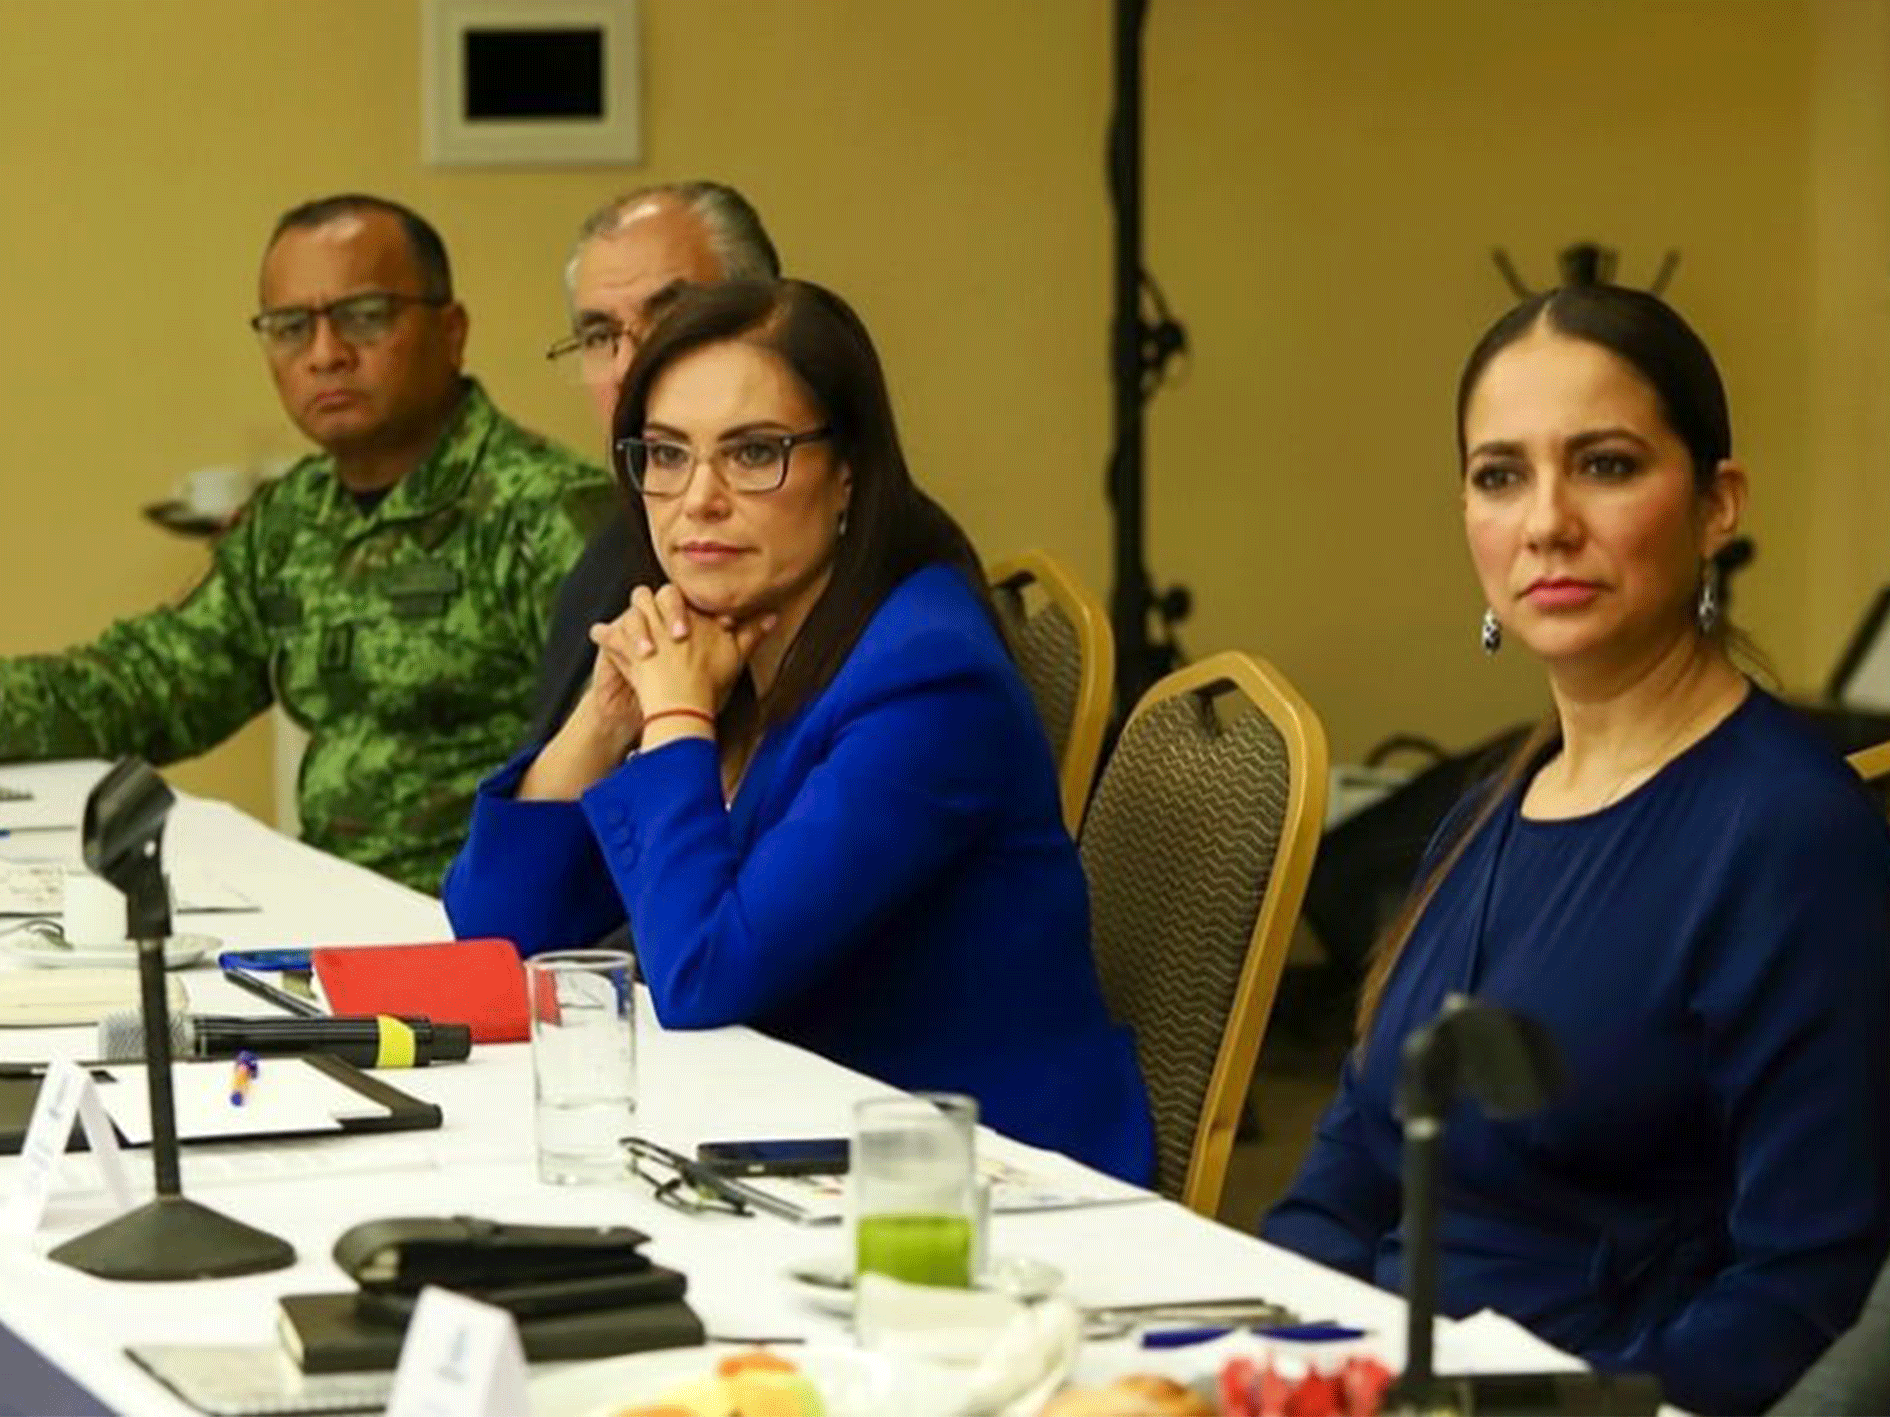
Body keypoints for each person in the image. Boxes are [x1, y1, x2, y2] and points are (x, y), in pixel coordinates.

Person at [1262, 284, 1890, 1415]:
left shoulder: (1790, 836)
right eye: (1501, 475)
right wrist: (1280, 1356)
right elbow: (1353, 1161)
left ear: (1717, 504)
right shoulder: (1488, 808)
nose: (1546, 521)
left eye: (1604, 465)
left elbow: (1804, 1287)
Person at [444, 279, 1155, 1183]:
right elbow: (498, 933)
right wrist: (607, 714)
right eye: (666, 454)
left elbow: (705, 978)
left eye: (754, 453)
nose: (698, 498)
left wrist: (675, 718)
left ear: (848, 468)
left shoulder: (928, 682)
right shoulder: (727, 638)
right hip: (788, 1134)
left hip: (978, 1176)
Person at [0, 195, 610, 890]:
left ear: (451, 331)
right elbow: (151, 685)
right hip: (330, 896)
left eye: (365, 317)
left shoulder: (545, 512)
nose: (325, 355)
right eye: (291, 328)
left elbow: (616, 758)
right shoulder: (291, 518)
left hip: (484, 915)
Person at [528, 182, 780, 743]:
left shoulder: (887, 614)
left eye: (671, 320)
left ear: (773, 322)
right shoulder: (610, 550)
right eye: (600, 336)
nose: (627, 368)